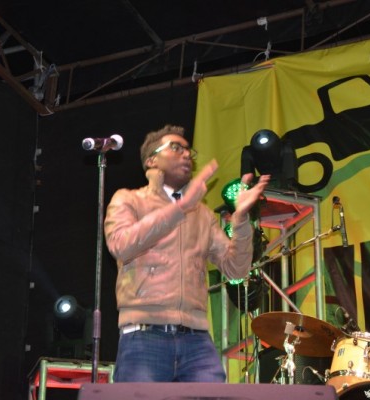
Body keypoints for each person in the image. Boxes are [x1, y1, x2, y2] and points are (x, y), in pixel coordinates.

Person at [104, 124, 270, 382]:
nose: (186, 155)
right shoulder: (128, 199)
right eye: (175, 147)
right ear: (151, 160)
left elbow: (236, 270)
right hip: (143, 335)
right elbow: (120, 245)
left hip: (197, 339)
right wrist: (180, 208)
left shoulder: (202, 214)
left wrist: (240, 219)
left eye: (188, 151)